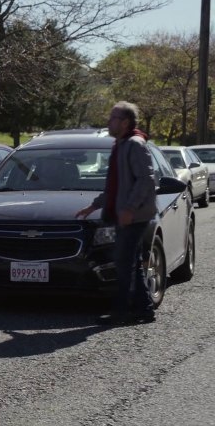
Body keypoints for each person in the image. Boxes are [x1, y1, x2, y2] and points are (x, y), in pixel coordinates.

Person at [75, 101, 157, 326]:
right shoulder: (121, 145)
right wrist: (94, 206)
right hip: (125, 214)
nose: (109, 122)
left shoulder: (135, 145)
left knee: (123, 263)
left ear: (125, 122)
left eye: (113, 118)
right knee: (131, 263)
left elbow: (146, 180)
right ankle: (144, 310)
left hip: (134, 216)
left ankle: (122, 312)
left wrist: (130, 209)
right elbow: (115, 187)